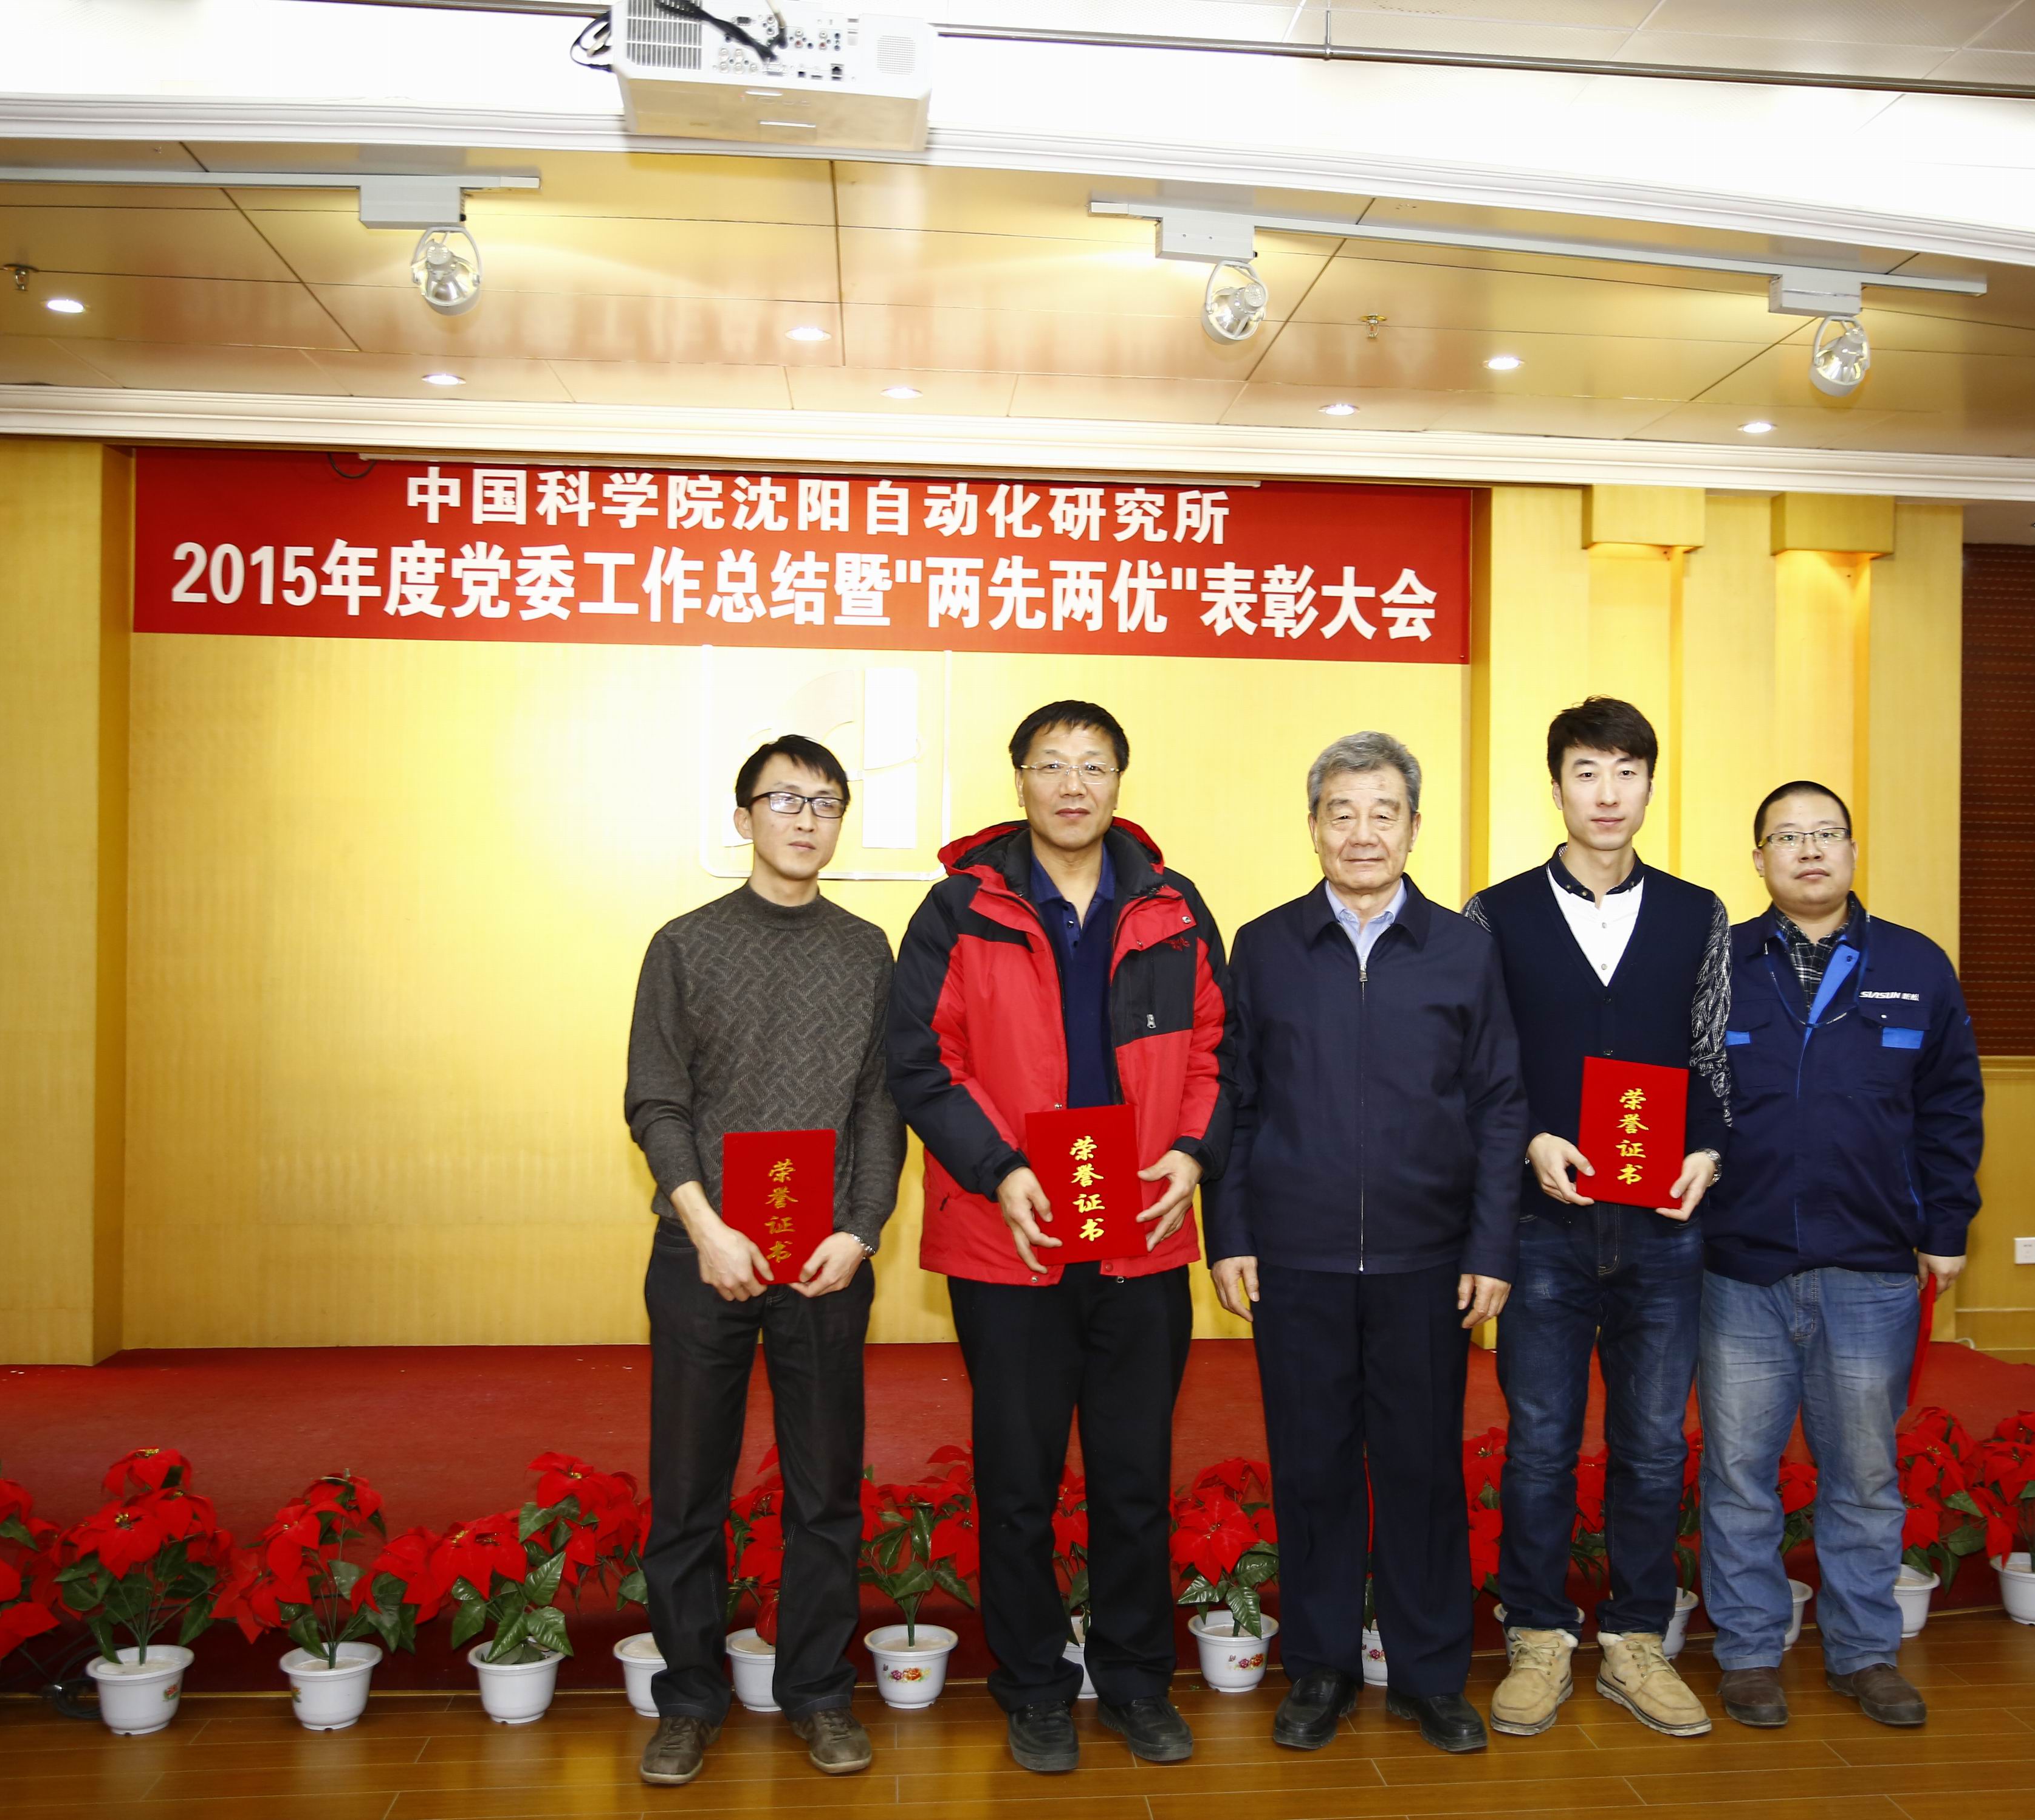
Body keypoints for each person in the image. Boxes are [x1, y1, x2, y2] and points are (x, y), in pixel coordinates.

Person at [887, 700, 1237, 1776]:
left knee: (1133, 1479)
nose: (1072, 785)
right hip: (1012, 1238)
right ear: (1020, 782)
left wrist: (1193, 1154)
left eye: (1093, 765)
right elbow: (921, 1061)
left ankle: (1134, 1681)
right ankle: (1033, 1685)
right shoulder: (961, 908)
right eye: (1051, 765)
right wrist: (1001, 1170)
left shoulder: (1173, 905)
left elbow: (1219, 1050)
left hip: (1140, 1234)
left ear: (1120, 781)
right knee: (1018, 1484)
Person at [1210, 730, 1528, 1757]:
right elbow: (1235, 1101)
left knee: (1422, 1470)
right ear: (1312, 826)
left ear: (1413, 827)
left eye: (1381, 813)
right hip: (1294, 1259)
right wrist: (1230, 1232)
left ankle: (1430, 1676)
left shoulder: (1463, 949)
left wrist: (1491, 1246)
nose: (1361, 833)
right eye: (1340, 813)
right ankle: (1319, 1669)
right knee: (1310, 1469)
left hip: (1427, 1261)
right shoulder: (1264, 946)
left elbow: (1499, 1105)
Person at [623, 734, 906, 1787]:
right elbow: (657, 1102)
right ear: (742, 818)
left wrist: (860, 1230)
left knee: (825, 1491)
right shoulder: (685, 944)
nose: (805, 819)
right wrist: (706, 1228)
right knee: (687, 1489)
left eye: (825, 802)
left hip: (823, 1258)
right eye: (783, 799)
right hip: (701, 1251)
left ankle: (819, 1694)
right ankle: (689, 1700)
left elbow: (879, 1106)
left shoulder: (865, 949)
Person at [1464, 696, 1731, 1740]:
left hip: (1664, 1223)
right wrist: (1528, 1139)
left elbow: (1712, 1058)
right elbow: (1481, 1064)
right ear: (1557, 787)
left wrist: (1707, 1148)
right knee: (1538, 1442)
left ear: (1650, 786)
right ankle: (1536, 1634)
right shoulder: (1495, 914)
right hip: (1543, 1226)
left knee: (1654, 1444)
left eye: (1626, 771)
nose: (1607, 792)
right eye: (1587, 771)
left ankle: (1634, 1639)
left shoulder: (1697, 913)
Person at [1698, 781, 1983, 1731]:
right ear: (1758, 859)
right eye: (1787, 836)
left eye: (1826, 833)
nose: (1809, 850)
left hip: (1869, 1267)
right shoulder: (1718, 962)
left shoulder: (1913, 963)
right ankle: (1748, 1652)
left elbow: (1950, 1105)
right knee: (1739, 1471)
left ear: (1853, 850)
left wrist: (1946, 1225)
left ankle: (1864, 1653)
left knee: (1861, 1474)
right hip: (1739, 1268)